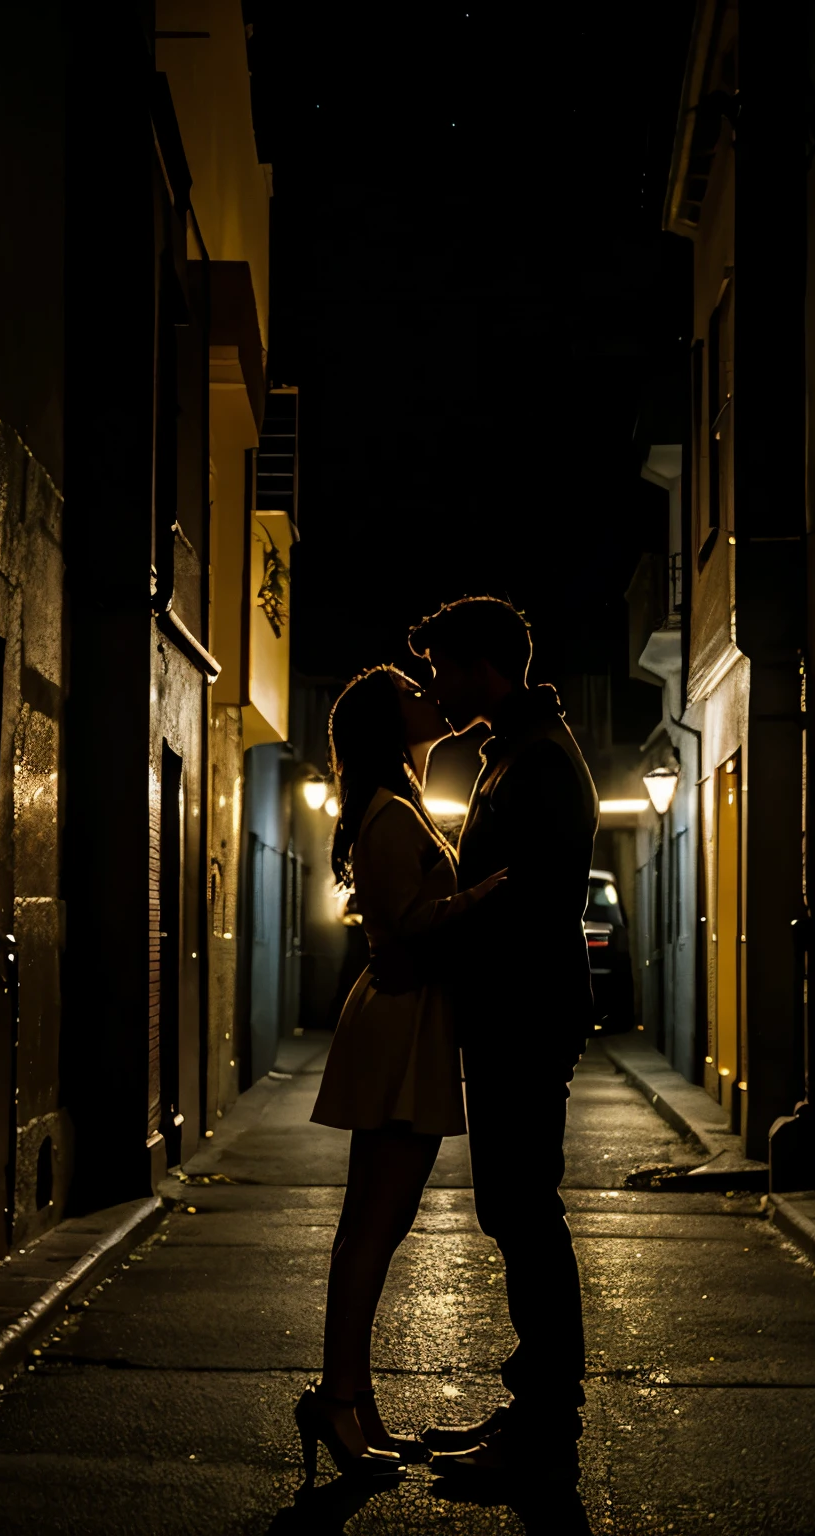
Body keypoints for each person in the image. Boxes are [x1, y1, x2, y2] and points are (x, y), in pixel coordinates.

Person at [388, 595, 599, 1481]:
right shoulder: (516, 750)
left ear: (483, 666)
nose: (434, 682)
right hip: (513, 1012)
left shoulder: (536, 761)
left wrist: (442, 933)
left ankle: (545, 1428)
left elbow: (533, 902)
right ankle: (533, 1413)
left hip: (524, 1014)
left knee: (523, 1209)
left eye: (442, 666)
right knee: (513, 1209)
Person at [297, 664, 506, 1488]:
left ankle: (350, 1395)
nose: (431, 695)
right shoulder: (389, 814)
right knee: (372, 1228)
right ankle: (339, 1397)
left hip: (410, 1020)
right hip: (399, 1022)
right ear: (389, 723)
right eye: (413, 693)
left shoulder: (397, 804)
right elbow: (412, 928)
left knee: (376, 1226)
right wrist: (486, 894)